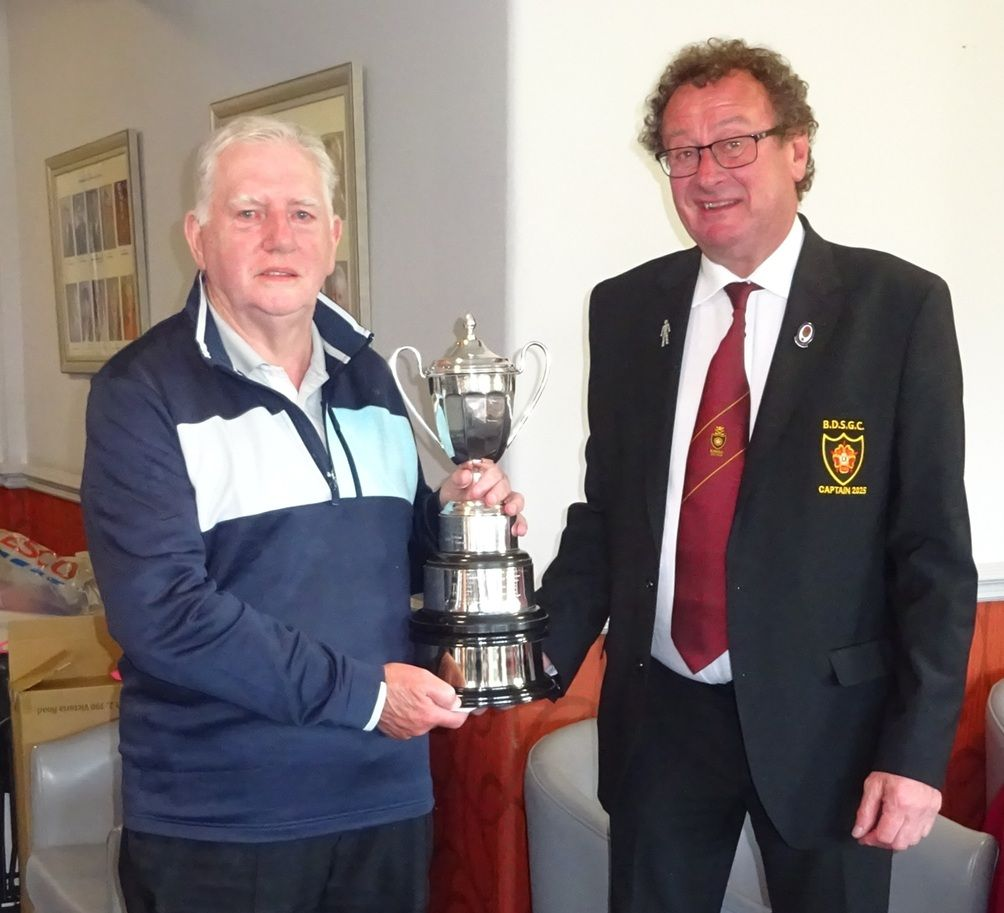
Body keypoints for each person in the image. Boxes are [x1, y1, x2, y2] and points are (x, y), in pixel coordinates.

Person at [537, 38, 976, 913]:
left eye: (734, 142)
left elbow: (933, 551)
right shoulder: (626, 310)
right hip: (662, 720)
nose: (708, 173)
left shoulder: (897, 308)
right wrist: (534, 650)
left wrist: (916, 752)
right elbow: (608, 513)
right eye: (682, 152)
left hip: (832, 731)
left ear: (797, 148)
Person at [81, 115, 525, 913]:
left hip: (384, 803)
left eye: (302, 213)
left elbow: (391, 551)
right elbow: (163, 615)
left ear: (333, 238)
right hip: (220, 824)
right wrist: (364, 697)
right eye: (248, 212)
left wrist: (459, 519)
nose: (279, 237)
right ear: (198, 237)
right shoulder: (140, 393)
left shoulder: (372, 378)